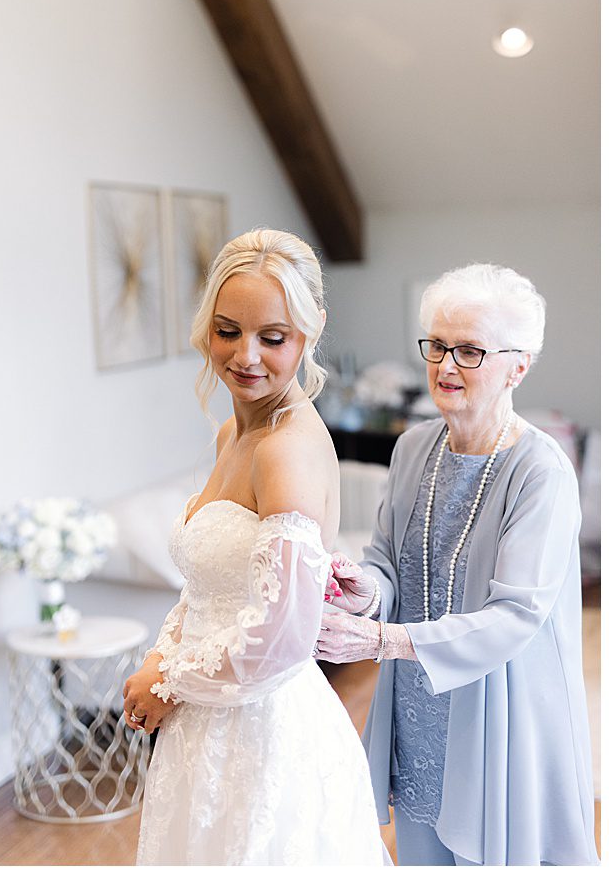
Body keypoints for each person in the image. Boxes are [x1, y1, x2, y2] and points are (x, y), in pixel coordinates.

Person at [316, 263, 596, 866]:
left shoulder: (541, 471)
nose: (445, 366)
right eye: (438, 346)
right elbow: (387, 563)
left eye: (470, 351)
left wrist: (382, 638)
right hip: (416, 705)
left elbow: (514, 616)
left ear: (518, 365)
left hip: (502, 711)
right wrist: (360, 591)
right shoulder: (413, 446)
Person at [120, 228, 384, 863]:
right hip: (208, 727)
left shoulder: (286, 449)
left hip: (263, 733)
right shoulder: (229, 437)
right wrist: (162, 656)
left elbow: (286, 634)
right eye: (228, 330)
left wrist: (170, 682)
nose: (246, 357)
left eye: (274, 337)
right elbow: (207, 588)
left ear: (310, 333)